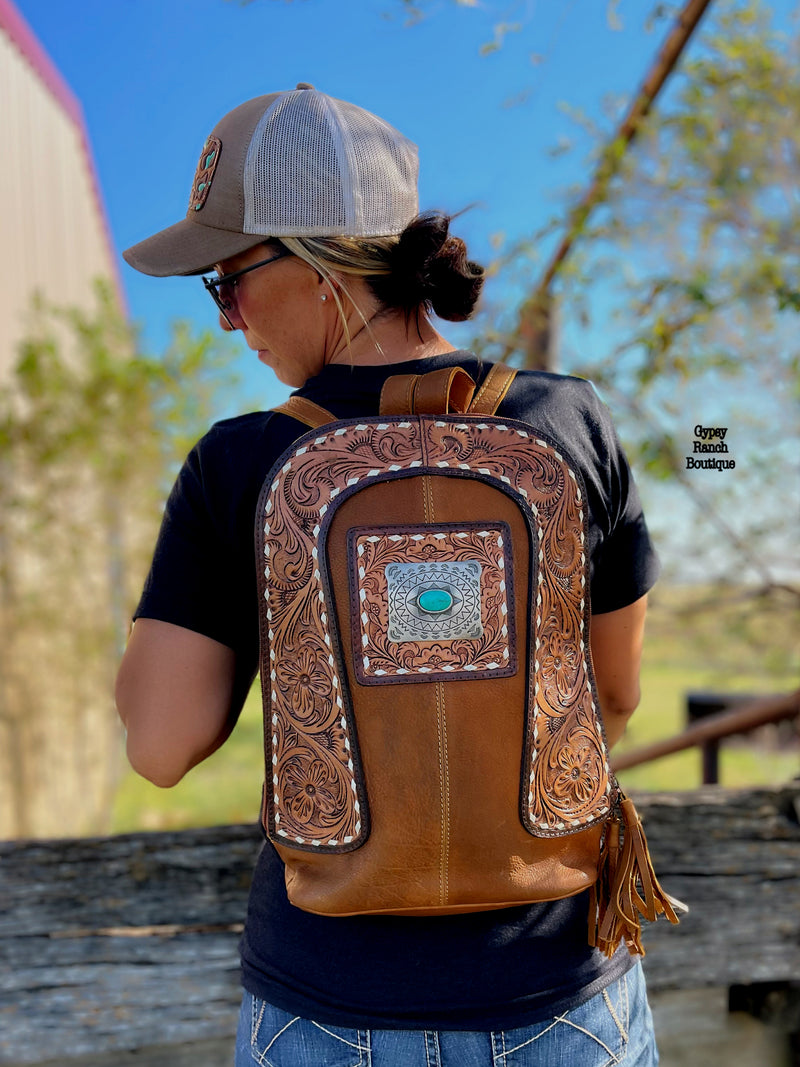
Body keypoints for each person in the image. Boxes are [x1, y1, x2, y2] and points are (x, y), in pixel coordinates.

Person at [117, 84, 661, 1066]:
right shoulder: (572, 423)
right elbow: (614, 693)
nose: (229, 321)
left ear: (317, 267)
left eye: (226, 283)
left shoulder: (238, 463)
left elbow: (160, 744)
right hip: (560, 993)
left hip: (327, 1002)